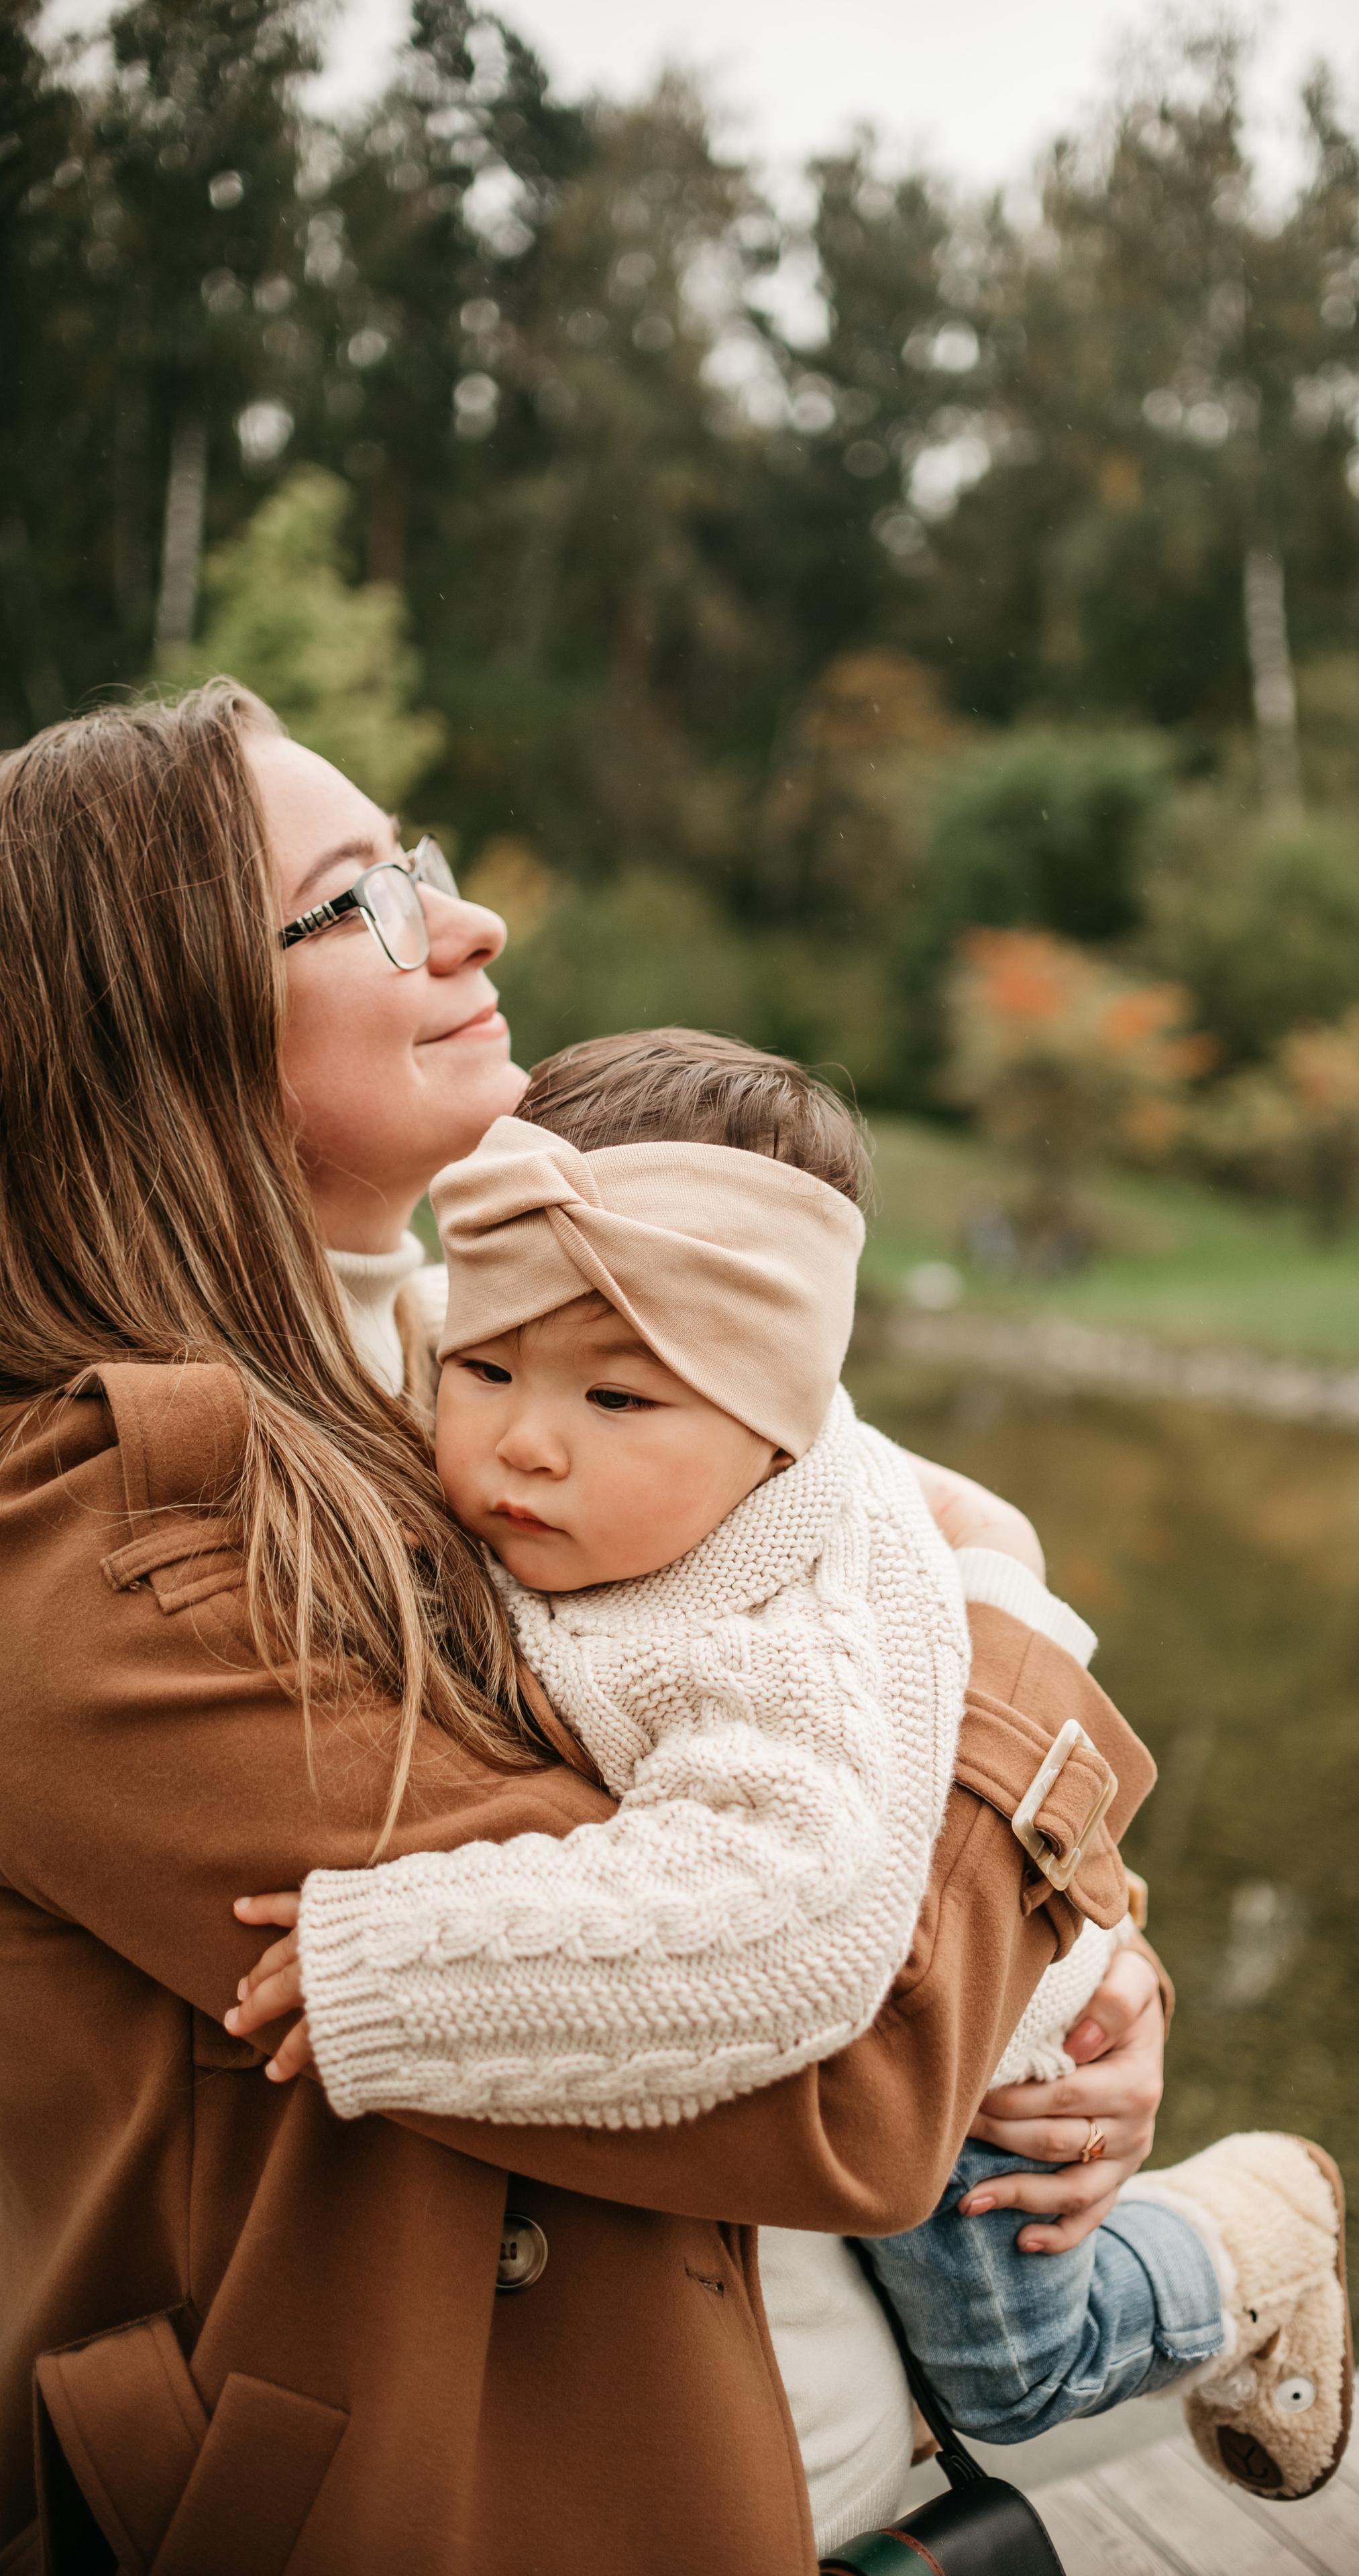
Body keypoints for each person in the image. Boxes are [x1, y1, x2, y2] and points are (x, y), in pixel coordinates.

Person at [0, 682, 1170, 2575]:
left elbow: (835, 1727)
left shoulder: (477, 1358)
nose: (468, 923)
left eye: (420, 862)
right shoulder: (98, 1543)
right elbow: (850, 2075)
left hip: (831, 2476)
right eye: (356, 900)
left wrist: (1090, 2000)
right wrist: (1017, 1627)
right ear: (159, 1024)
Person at [228, 1027, 1354, 2518]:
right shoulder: (592, 1410)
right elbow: (422, 1309)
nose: (525, 1443)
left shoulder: (782, 1622)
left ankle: (1256, 2234)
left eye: (616, 1402)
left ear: (771, 1430)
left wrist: (389, 1968)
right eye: (482, 1370)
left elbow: (787, 1917)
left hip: (982, 2053)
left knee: (1005, 2374)